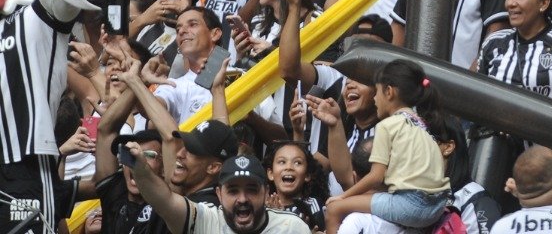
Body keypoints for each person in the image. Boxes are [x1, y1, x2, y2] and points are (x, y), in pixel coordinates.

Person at [323, 60, 449, 234]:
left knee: (334, 208)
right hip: (436, 206)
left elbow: (375, 176)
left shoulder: (387, 125)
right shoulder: (421, 123)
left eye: (377, 92)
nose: (375, 99)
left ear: (389, 92)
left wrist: (343, 196)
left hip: (412, 207)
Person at [131, 151, 311, 234]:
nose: (242, 199)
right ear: (219, 194)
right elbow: (165, 202)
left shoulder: (291, 228)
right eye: (233, 190)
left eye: (251, 190)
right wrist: (140, 169)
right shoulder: (205, 220)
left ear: (265, 193)